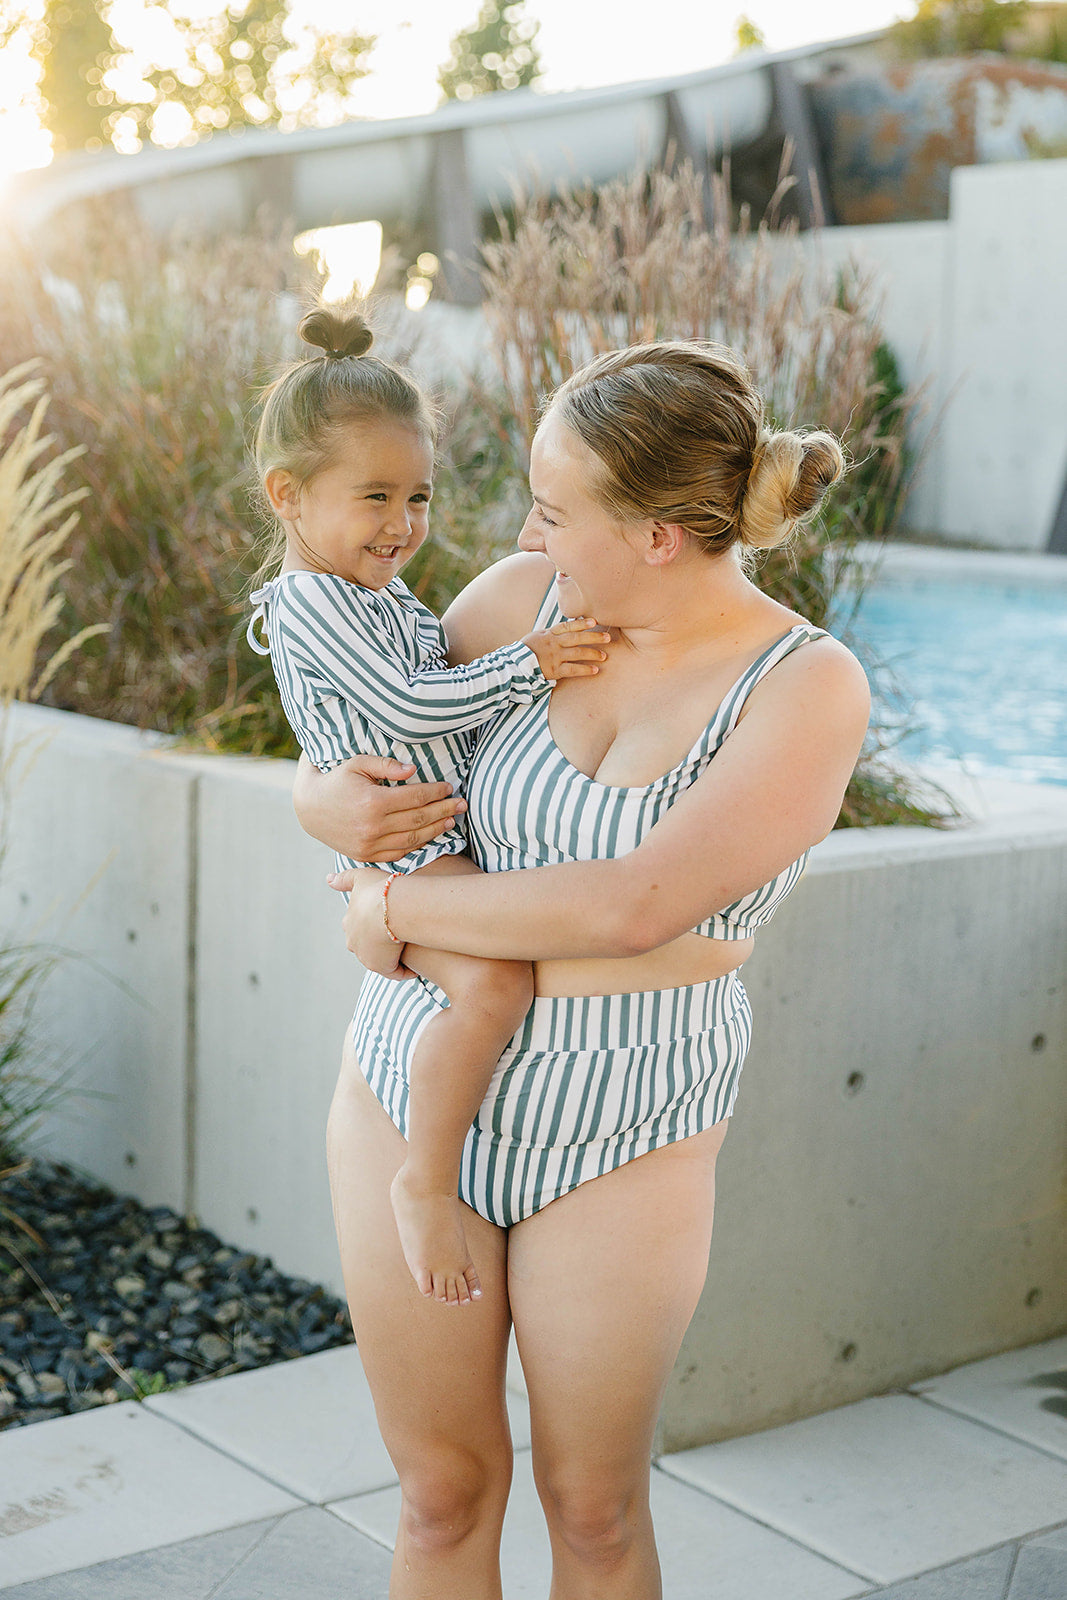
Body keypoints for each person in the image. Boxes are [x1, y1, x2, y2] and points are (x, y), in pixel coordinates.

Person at [294, 339, 871, 1599]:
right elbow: (370, 750)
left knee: (593, 1508)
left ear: (659, 533)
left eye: (555, 511)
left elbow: (633, 904)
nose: (527, 531)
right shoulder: (518, 605)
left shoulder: (803, 686)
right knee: (440, 1490)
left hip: (623, 1121)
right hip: (409, 1077)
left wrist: (393, 903)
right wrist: (318, 806)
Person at [247, 307, 612, 1307]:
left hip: (426, 834)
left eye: (416, 495)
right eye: (373, 496)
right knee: (493, 986)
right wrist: (527, 665)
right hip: (410, 851)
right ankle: (427, 1177)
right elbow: (414, 701)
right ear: (287, 495)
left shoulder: (374, 590)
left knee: (500, 974)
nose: (402, 522)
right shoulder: (314, 602)